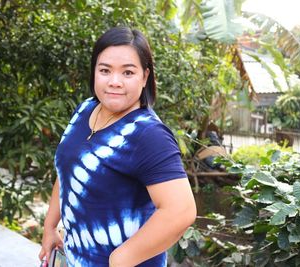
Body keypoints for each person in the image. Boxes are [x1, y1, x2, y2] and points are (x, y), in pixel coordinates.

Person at [39, 26, 196, 267]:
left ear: (145, 77)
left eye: (128, 72)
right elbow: (68, 170)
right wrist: (50, 226)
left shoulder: (149, 134)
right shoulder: (86, 109)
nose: (114, 82)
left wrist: (120, 260)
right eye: (105, 70)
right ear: (94, 73)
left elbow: (181, 211)